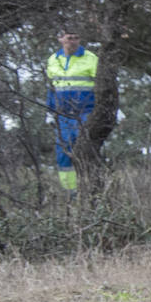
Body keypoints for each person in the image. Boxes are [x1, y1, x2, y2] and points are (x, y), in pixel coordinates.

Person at [44, 29, 99, 195]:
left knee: (87, 151)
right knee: (63, 153)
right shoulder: (53, 59)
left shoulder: (91, 58)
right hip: (62, 115)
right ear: (61, 39)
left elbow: (104, 85)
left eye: (76, 38)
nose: (73, 41)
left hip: (85, 112)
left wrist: (114, 108)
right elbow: (51, 87)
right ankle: (71, 193)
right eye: (69, 38)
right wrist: (49, 111)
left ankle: (94, 190)